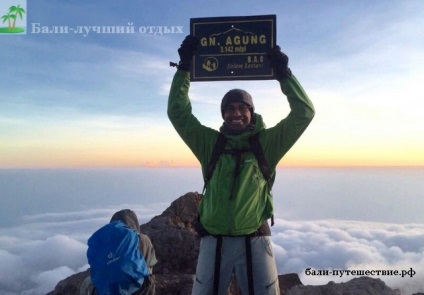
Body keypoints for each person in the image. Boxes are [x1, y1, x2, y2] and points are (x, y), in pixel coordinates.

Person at [167, 35, 315, 295]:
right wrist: (184, 69)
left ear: (251, 111)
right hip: (213, 239)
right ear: (223, 114)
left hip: (255, 237)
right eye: (229, 109)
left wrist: (285, 75)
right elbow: (178, 113)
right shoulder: (210, 143)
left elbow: (304, 112)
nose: (236, 113)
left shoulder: (267, 144)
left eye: (242, 108)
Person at [80, 209, 157, 295]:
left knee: (89, 282)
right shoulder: (142, 239)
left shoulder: (105, 245)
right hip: (137, 290)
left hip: (107, 291)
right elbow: (150, 267)